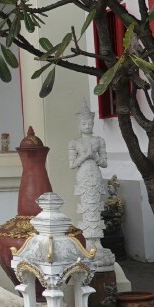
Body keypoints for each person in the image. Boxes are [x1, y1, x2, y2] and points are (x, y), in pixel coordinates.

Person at [69, 99, 107, 240]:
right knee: (87, 206)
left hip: (95, 174)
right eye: (84, 123)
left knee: (96, 206)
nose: (87, 126)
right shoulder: (75, 142)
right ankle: (87, 240)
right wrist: (85, 156)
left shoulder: (99, 140)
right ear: (79, 125)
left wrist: (95, 158)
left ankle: (97, 241)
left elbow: (104, 164)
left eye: (90, 123)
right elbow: (72, 164)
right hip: (83, 175)